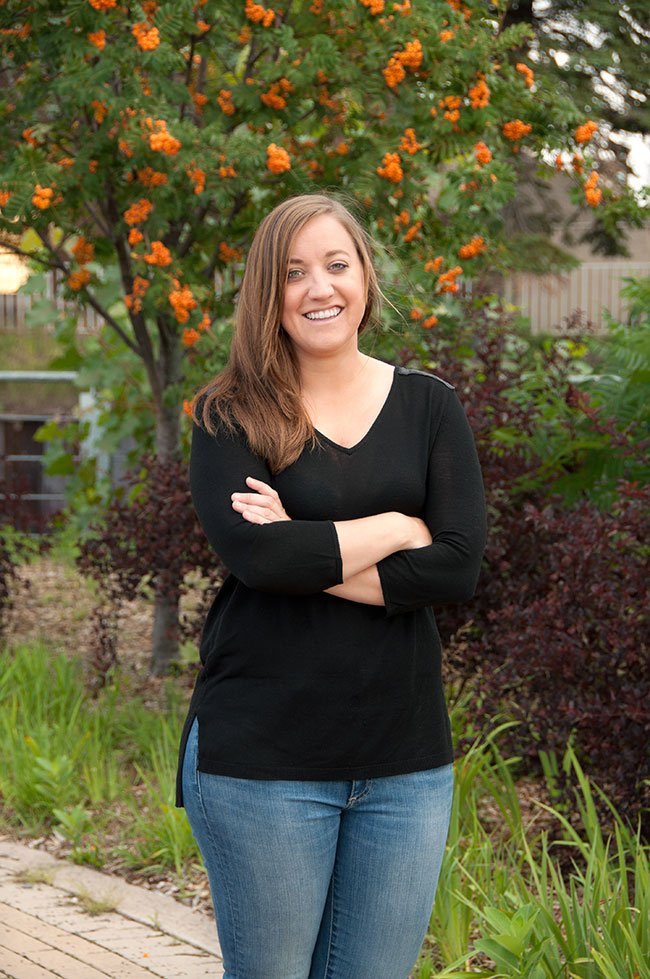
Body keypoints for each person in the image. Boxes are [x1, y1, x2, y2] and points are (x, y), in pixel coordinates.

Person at [176, 193, 486, 979]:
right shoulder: (229, 414)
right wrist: (394, 528)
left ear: (365, 275)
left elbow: (456, 564)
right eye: (294, 272)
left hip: (404, 764)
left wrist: (308, 549)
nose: (320, 287)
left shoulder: (429, 405)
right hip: (263, 761)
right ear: (267, 295)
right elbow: (261, 560)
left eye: (336, 264)